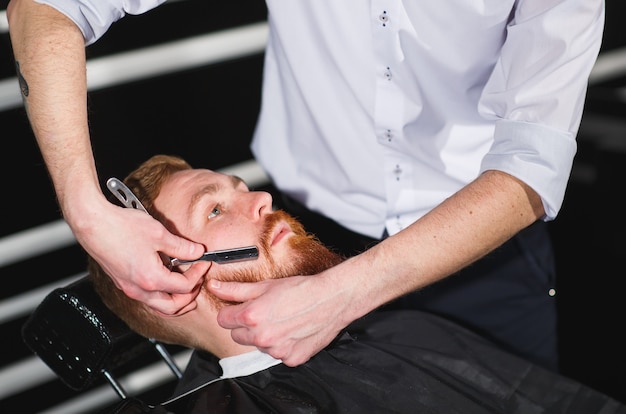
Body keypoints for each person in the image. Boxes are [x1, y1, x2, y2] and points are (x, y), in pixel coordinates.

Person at [7, 0, 605, 371]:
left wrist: (347, 291)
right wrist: (85, 209)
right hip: (311, 227)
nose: (252, 196)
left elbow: (532, 161)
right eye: (217, 206)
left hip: (481, 242)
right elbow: (51, 6)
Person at [89, 154, 626, 414]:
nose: (261, 200)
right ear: (166, 284)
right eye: (214, 209)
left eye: (243, 189)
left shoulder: (403, 324)